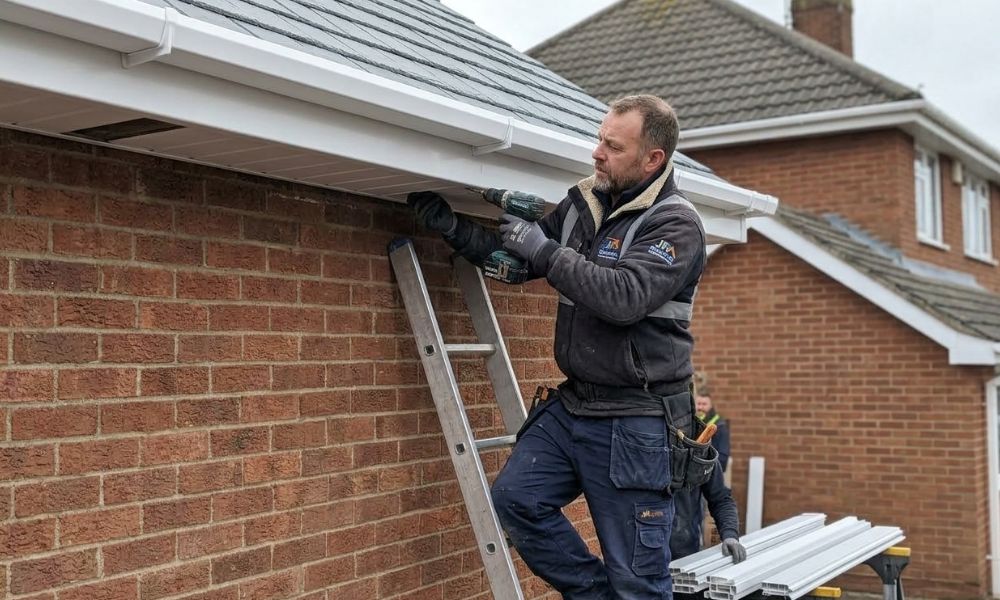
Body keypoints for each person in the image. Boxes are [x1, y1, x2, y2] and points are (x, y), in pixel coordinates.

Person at [408, 95, 708, 599]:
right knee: (516, 499)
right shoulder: (583, 203)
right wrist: (456, 231)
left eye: (613, 146)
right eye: (599, 139)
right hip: (576, 405)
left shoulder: (675, 224)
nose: (597, 153)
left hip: (637, 419)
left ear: (652, 158)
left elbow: (624, 298)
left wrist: (545, 250)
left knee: (638, 578)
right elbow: (523, 261)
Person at [669, 465, 745, 600]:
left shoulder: (698, 449)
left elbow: (721, 500)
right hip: (638, 568)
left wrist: (730, 535)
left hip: (684, 564)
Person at [693, 371, 730, 472]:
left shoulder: (720, 426)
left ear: (711, 406)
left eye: (704, 404)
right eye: (698, 404)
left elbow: (722, 460)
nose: (700, 407)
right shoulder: (693, 423)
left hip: (710, 475)